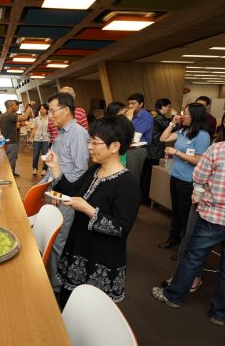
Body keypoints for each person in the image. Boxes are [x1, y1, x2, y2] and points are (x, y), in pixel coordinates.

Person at [152, 105, 225, 326]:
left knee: (193, 258)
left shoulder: (219, 149)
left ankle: (174, 296)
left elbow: (199, 176)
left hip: (214, 216)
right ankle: (219, 313)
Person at [44, 115, 141, 307]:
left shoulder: (127, 185)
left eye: (95, 143)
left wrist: (88, 209)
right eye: (89, 141)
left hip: (99, 260)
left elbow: (121, 228)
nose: (89, 147)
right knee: (67, 305)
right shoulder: (94, 170)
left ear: (115, 146)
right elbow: (73, 192)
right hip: (78, 248)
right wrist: (56, 169)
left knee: (87, 312)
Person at [44, 92, 89, 293]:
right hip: (55, 192)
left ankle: (57, 287)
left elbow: (79, 171)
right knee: (50, 237)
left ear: (66, 110)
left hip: (65, 196)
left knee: (58, 240)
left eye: (53, 111)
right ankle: (50, 278)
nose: (50, 116)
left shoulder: (78, 134)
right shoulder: (61, 132)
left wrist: (60, 193)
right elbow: (54, 163)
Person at [158, 103, 210, 249]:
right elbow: (163, 138)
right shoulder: (184, 131)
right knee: (175, 209)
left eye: (185, 113)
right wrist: (172, 123)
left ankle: (184, 245)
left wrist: (177, 153)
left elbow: (199, 160)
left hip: (188, 180)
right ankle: (173, 238)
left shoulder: (202, 135)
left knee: (185, 213)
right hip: (175, 176)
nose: (182, 116)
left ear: (195, 116)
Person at [141, 98, 174, 204]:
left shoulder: (153, 115)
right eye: (168, 106)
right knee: (150, 176)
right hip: (155, 150)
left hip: (150, 149)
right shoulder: (160, 117)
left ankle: (143, 197)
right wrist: (173, 118)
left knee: (146, 174)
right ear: (163, 106)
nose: (169, 109)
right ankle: (146, 199)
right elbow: (171, 128)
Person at [0, 99, 32, 176]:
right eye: (14, 105)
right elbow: (24, 117)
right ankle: (9, 176)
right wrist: (30, 106)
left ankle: (10, 173)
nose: (16, 106)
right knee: (11, 160)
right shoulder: (10, 115)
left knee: (8, 160)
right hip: (11, 142)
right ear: (11, 106)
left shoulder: (3, 115)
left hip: (4, 142)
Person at [126, 93, 153, 186]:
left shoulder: (145, 116)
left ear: (141, 104)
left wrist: (128, 120)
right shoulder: (132, 114)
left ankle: (132, 199)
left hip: (137, 150)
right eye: (129, 103)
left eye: (133, 103)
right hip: (128, 148)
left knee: (132, 177)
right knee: (125, 176)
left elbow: (133, 135)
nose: (130, 106)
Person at [30, 104, 50, 176]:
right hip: (37, 138)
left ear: (47, 110)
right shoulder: (36, 119)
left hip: (46, 139)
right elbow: (34, 129)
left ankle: (45, 169)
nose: (41, 110)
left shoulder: (50, 118)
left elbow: (51, 129)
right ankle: (35, 168)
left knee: (45, 154)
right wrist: (31, 138)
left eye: (43, 109)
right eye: (40, 109)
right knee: (35, 154)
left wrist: (51, 138)